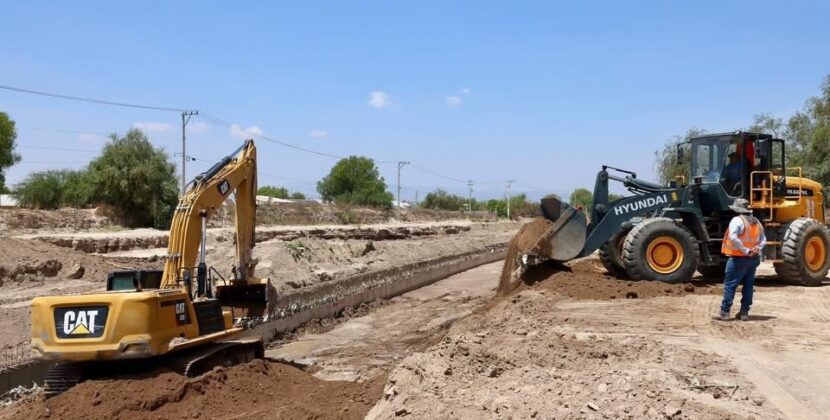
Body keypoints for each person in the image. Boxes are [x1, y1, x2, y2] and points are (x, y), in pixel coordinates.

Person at [716, 198, 766, 321]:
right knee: (748, 286)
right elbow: (763, 239)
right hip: (753, 259)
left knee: (730, 285)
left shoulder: (737, 220)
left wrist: (745, 250)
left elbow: (733, 238)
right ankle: (744, 313)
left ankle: (725, 312)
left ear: (737, 209)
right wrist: (756, 249)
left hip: (738, 258)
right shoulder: (756, 222)